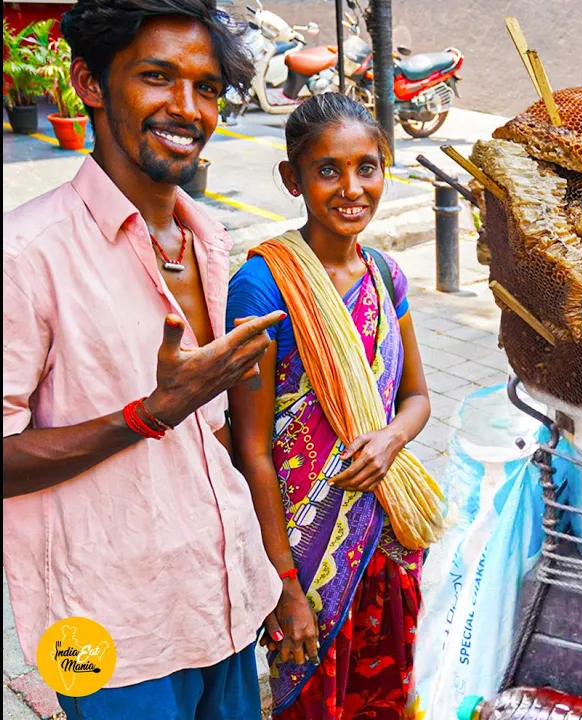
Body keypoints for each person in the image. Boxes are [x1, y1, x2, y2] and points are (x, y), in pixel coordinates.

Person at [1, 0, 285, 717]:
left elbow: (216, 439)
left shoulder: (210, 240)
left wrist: (272, 574)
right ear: (90, 84)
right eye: (157, 77)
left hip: (222, 603)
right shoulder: (25, 256)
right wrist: (149, 414)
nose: (187, 108)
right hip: (103, 632)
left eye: (208, 87)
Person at [226, 93, 433, 719]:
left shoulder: (385, 277)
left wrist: (390, 440)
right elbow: (251, 448)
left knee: (391, 695)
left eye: (367, 167)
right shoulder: (263, 285)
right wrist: (284, 587)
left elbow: (417, 399)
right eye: (327, 170)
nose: (351, 188)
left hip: (391, 536)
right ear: (293, 178)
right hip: (304, 556)